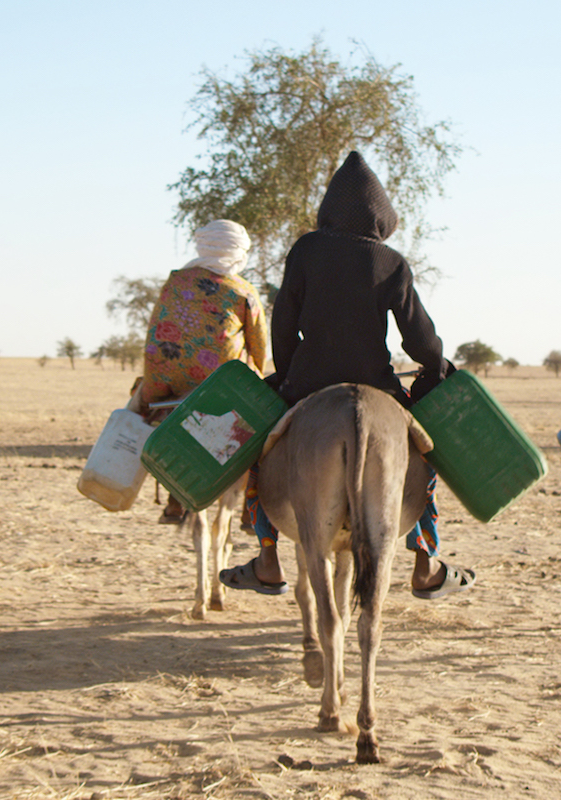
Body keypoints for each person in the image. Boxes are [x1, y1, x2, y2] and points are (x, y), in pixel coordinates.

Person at [219, 150, 472, 600]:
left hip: (308, 383)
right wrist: (435, 367)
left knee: (260, 454)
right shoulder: (391, 262)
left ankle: (267, 557)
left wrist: (290, 374)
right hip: (378, 387)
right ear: (382, 217)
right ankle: (425, 562)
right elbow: (420, 338)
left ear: (329, 210)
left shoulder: (305, 250)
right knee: (424, 459)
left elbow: (284, 320)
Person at [128, 219, 270, 523]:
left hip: (166, 375)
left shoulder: (176, 281)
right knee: (266, 422)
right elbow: (258, 344)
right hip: (221, 382)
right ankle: (250, 505)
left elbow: (156, 327)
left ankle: (170, 498)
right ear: (238, 252)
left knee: (134, 411)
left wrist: (159, 376)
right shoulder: (243, 290)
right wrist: (258, 371)